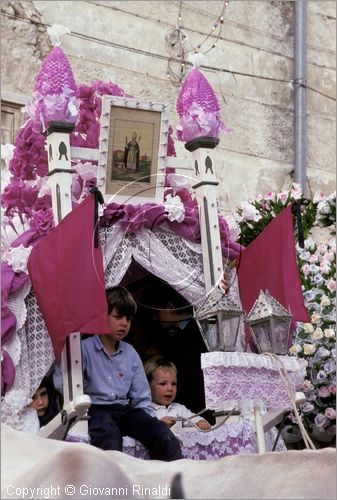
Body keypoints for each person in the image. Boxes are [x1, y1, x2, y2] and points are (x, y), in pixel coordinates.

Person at [83, 286, 182, 461]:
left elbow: (141, 396)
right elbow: (63, 384)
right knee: (109, 440)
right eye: (118, 317)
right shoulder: (83, 349)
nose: (124, 324)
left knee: (163, 436)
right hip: (97, 410)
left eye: (128, 319)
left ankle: (167, 484)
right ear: (101, 315)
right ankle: (114, 487)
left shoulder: (130, 353)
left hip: (125, 410)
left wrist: (150, 421)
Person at [145, 356, 211, 431]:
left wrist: (201, 422)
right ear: (148, 386)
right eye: (163, 384)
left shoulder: (179, 409)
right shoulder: (145, 410)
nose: (170, 388)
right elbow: (141, 430)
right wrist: (159, 424)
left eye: (173, 384)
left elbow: (195, 418)